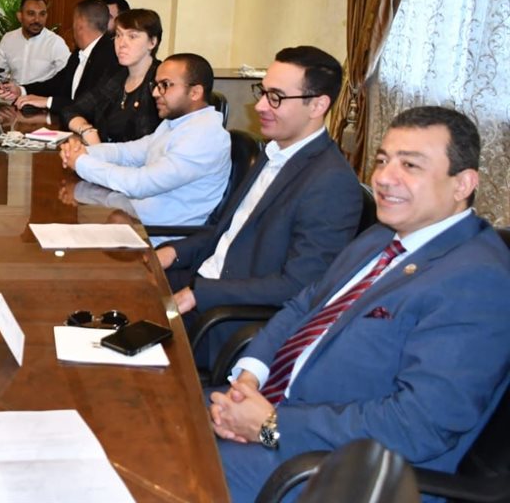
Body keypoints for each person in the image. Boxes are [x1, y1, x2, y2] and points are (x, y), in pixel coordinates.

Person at [210, 106, 510, 502]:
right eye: (383, 160)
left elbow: (417, 426)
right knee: (151, 414)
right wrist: (250, 377)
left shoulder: (478, 279)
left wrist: (270, 425)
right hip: (271, 410)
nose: (383, 178)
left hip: (342, 471)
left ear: (463, 184)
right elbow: (304, 306)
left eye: (410, 165)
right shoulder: (383, 235)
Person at [156, 46, 364, 362]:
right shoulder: (271, 152)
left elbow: (298, 286)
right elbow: (226, 231)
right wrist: (172, 252)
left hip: (225, 318)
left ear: (318, 105)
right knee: (105, 288)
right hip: (202, 280)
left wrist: (201, 294)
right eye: (263, 92)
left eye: (276, 97)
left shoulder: (331, 183)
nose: (260, 105)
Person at [60, 53, 229, 226]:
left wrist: (82, 162)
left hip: (159, 235)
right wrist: (83, 151)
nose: (155, 93)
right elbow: (126, 153)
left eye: (165, 85)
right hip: (132, 215)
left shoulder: (204, 136)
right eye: (155, 85)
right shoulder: (176, 123)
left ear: (195, 92)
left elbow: (140, 184)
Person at [0, 0, 119, 113]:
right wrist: (21, 90)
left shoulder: (110, 57)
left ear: (79, 24)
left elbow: (91, 105)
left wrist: (48, 102)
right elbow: (57, 84)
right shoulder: (78, 53)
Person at [62, 8, 163, 144]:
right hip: (105, 154)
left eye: (132, 36)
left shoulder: (161, 82)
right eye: (118, 35)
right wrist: (86, 130)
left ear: (152, 42)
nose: (122, 44)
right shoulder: (116, 76)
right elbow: (72, 110)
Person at [0, 0, 69, 86]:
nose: (37, 20)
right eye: (31, 14)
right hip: (14, 93)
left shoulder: (55, 43)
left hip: (41, 94)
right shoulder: (8, 39)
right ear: (20, 16)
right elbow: (0, 74)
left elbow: (67, 78)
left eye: (42, 14)